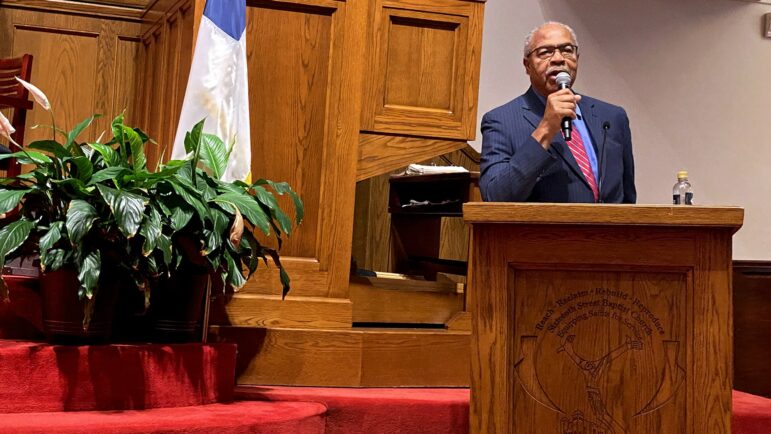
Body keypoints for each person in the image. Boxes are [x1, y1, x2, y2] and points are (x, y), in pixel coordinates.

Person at [479, 22, 636, 203]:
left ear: (577, 58)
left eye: (567, 50)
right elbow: (495, 196)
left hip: (608, 231)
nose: (558, 59)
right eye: (545, 52)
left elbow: (627, 198)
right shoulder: (501, 121)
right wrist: (545, 128)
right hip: (546, 231)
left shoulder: (612, 117)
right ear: (527, 65)